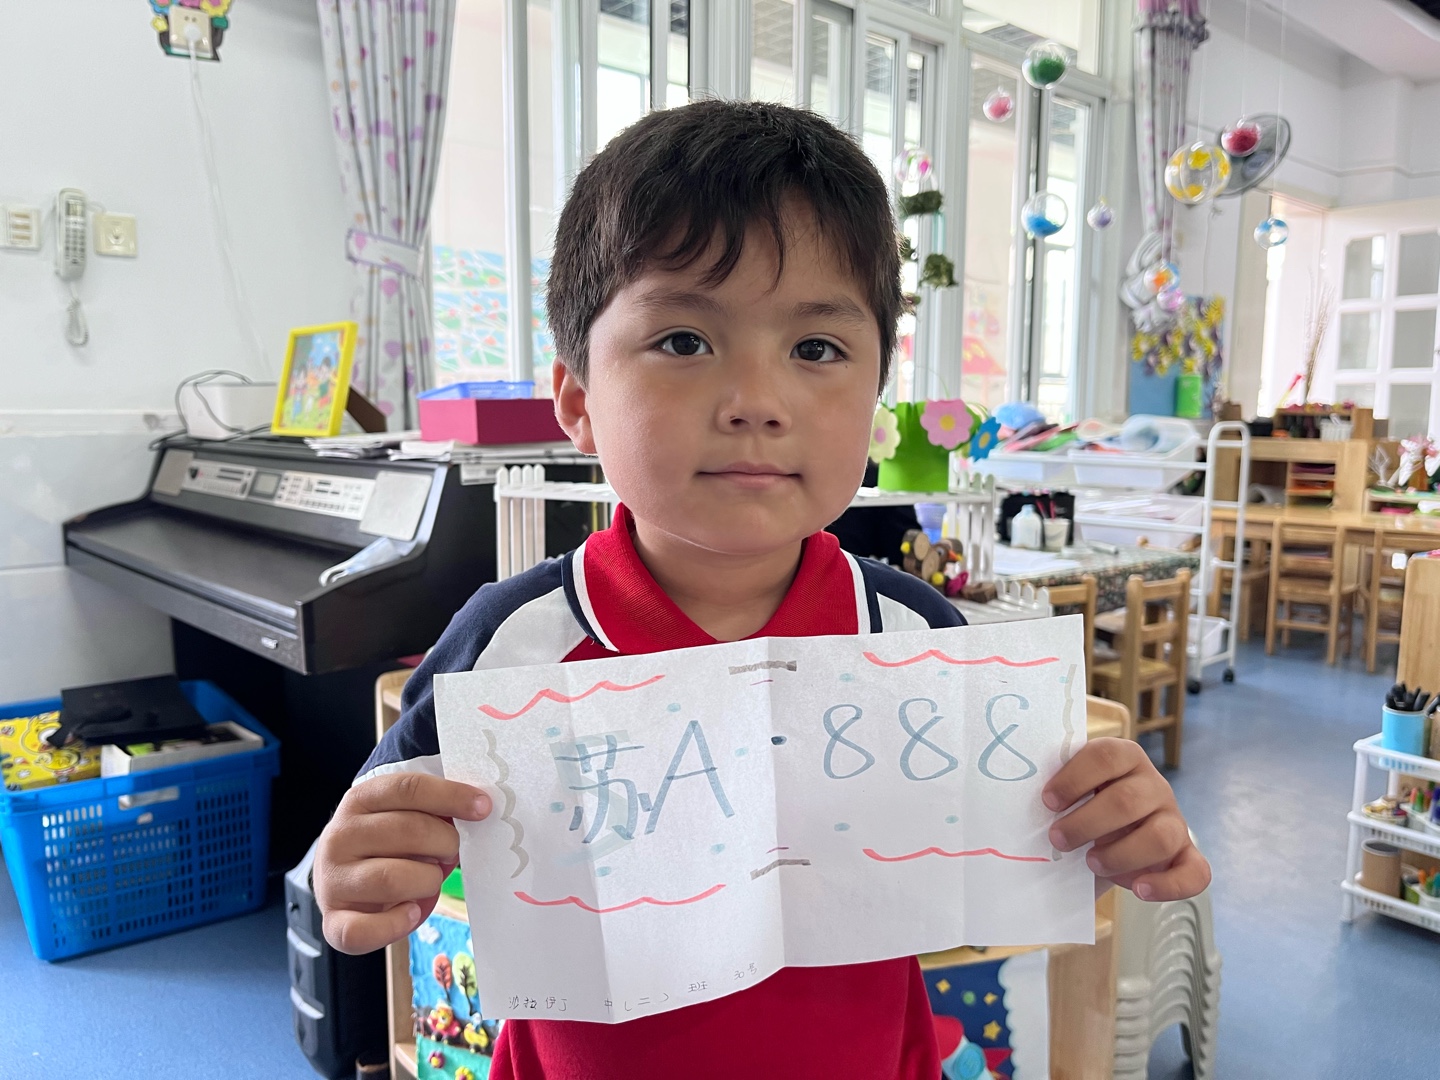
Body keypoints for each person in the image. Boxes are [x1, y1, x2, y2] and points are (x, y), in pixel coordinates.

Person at [313, 100, 1210, 1079]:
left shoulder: (912, 633)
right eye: (684, 341)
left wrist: (1108, 836)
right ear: (576, 399)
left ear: (877, 399)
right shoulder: (514, 641)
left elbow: (1016, 854)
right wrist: (351, 868)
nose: (757, 403)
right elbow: (377, 834)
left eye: (817, 349)